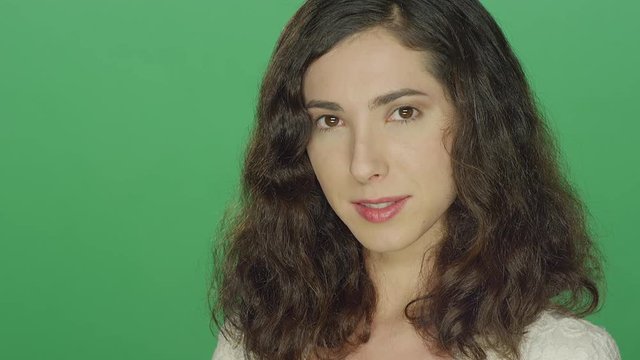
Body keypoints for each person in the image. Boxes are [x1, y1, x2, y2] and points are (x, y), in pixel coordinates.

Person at [208, 0, 621, 359]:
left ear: (477, 118)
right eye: (330, 120)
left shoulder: (560, 352)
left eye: (403, 112)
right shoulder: (253, 342)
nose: (363, 165)